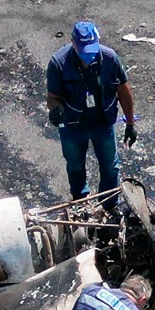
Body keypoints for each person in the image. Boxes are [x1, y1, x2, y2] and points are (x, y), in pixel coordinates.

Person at [47, 20, 136, 202]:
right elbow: (53, 97)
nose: (89, 55)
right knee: (75, 166)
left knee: (110, 167)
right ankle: (81, 201)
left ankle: (110, 202)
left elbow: (124, 91)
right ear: (73, 43)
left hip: (102, 123)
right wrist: (55, 111)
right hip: (73, 125)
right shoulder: (58, 63)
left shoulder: (110, 59)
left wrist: (130, 123)